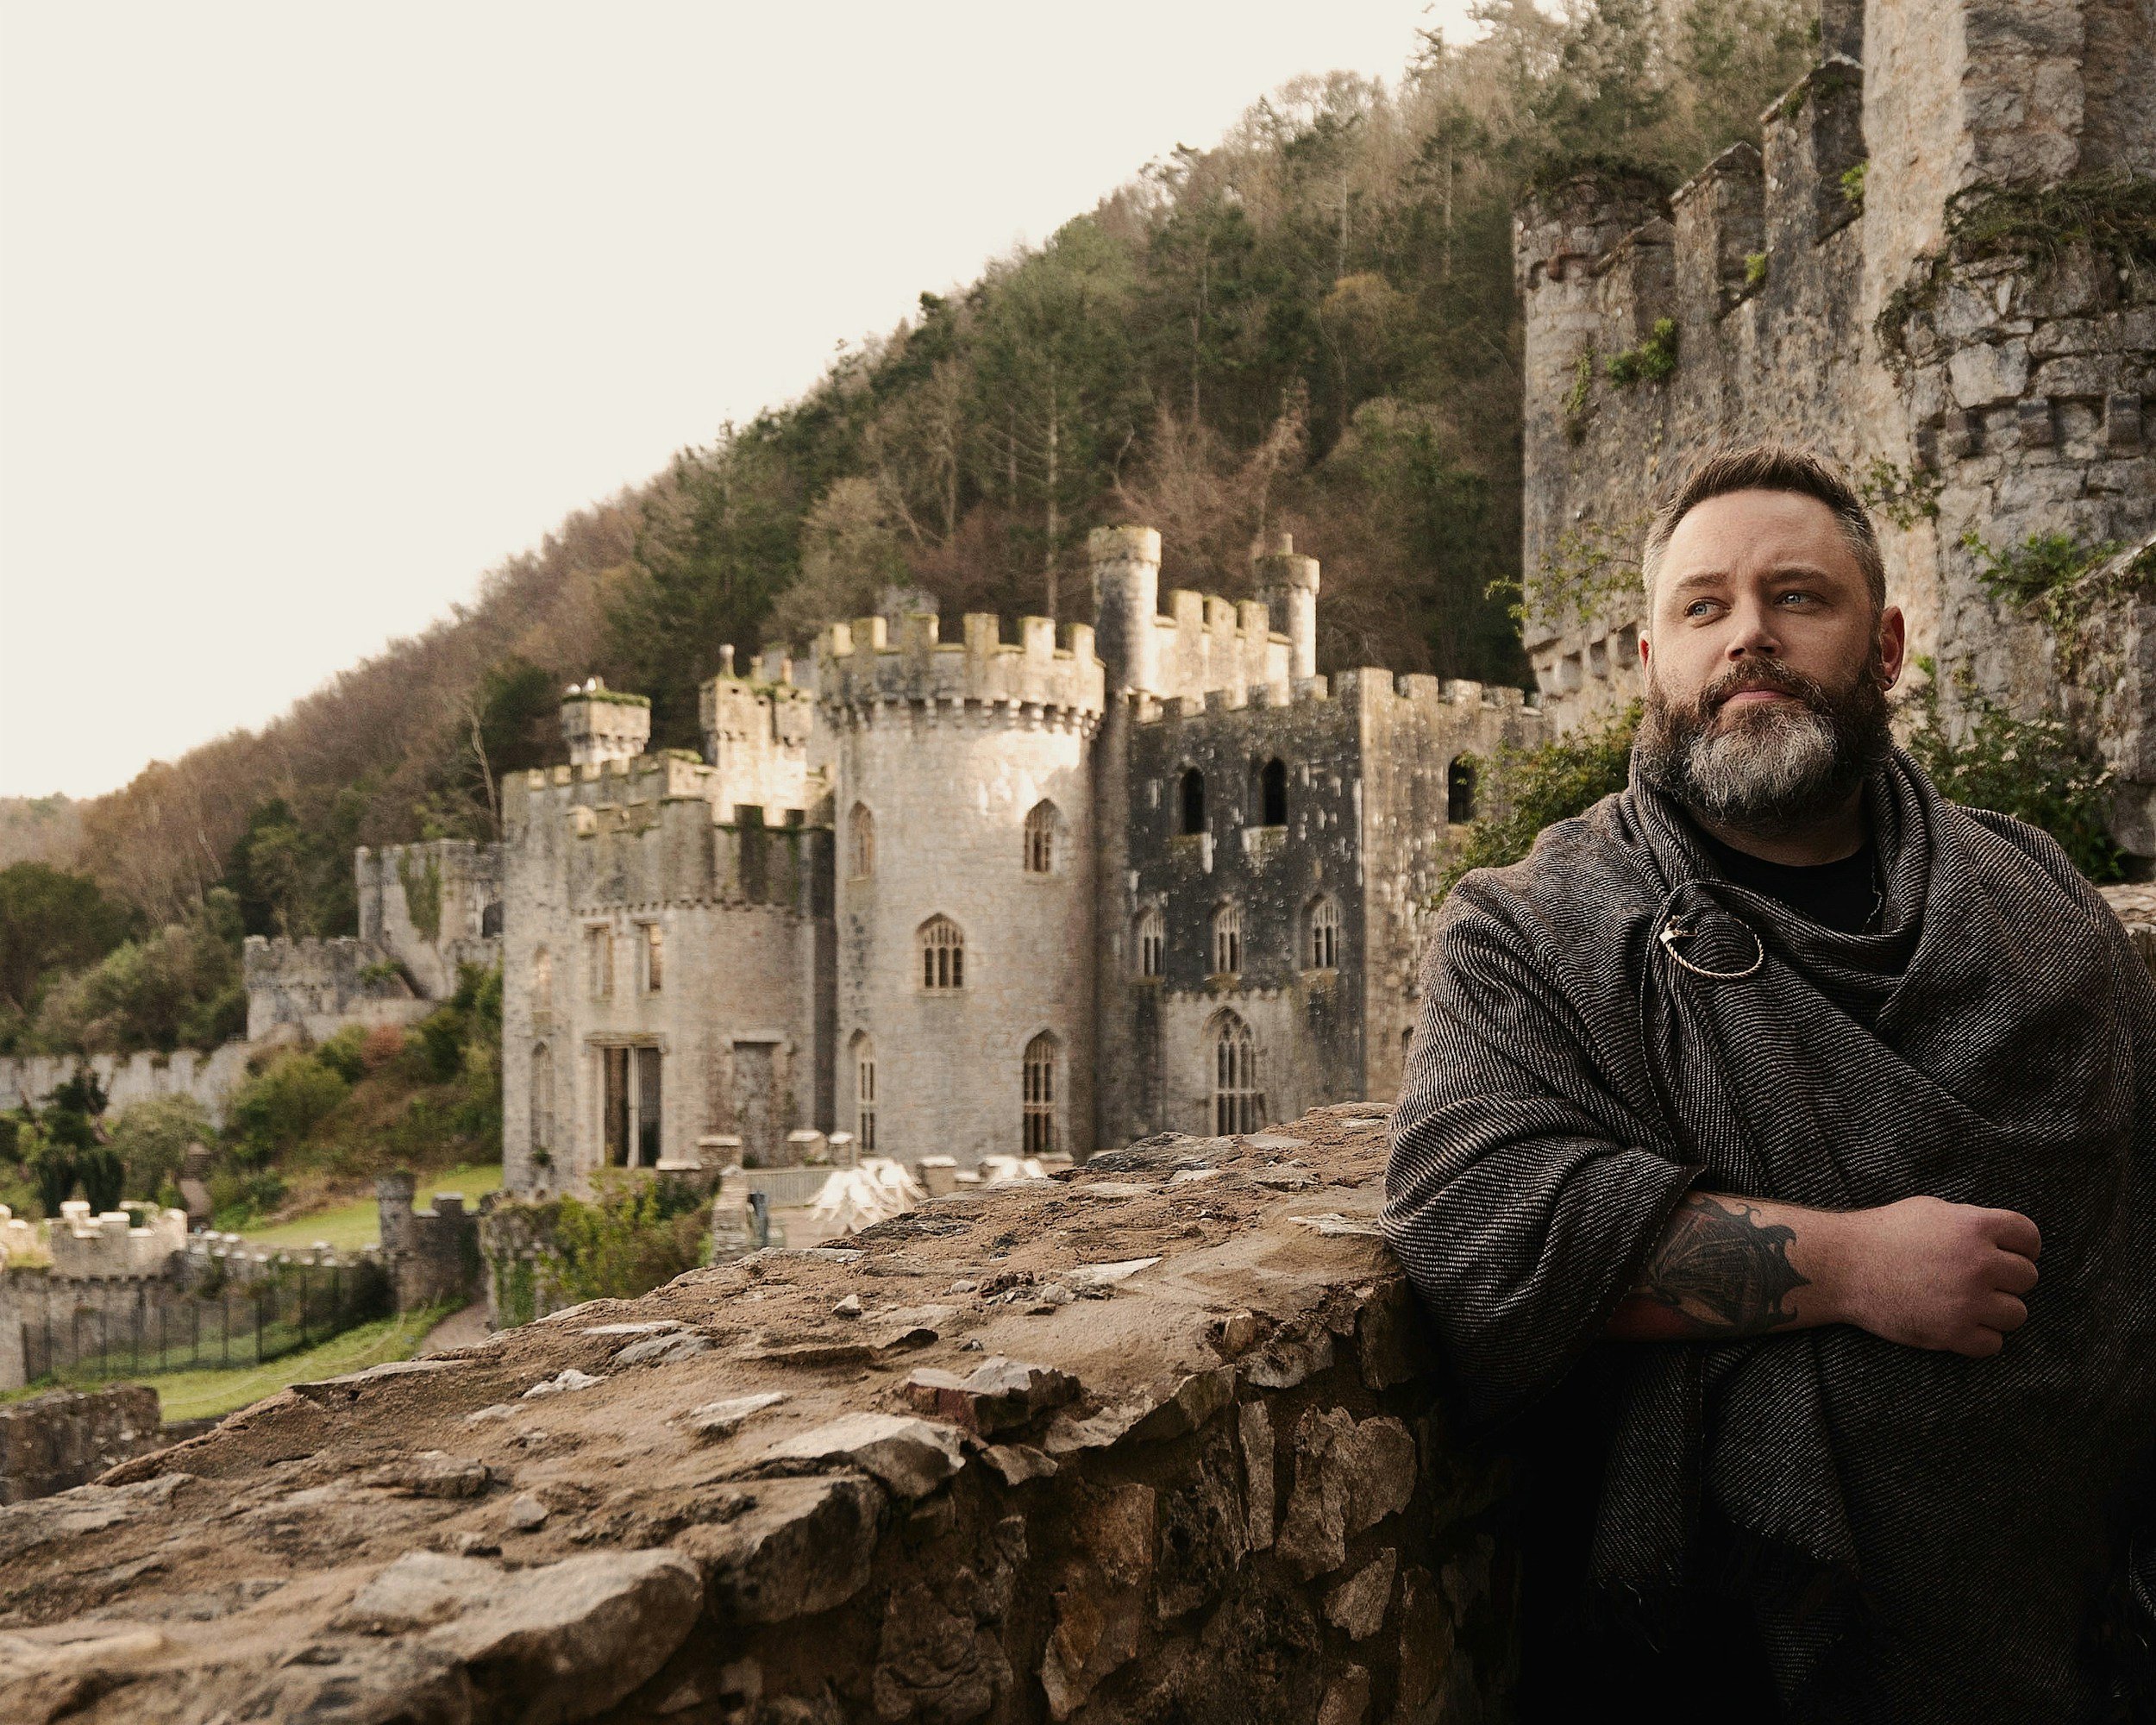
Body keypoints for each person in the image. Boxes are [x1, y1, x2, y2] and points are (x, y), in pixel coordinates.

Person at [1382, 443, 2156, 1723]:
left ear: (1887, 643)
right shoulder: (1532, 930)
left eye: (1798, 597)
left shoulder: (2040, 898)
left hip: (2087, 1636)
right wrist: (1854, 1267)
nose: (1750, 636)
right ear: (1650, 662)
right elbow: (1480, 1222)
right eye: (1705, 606)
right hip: (1729, 1657)